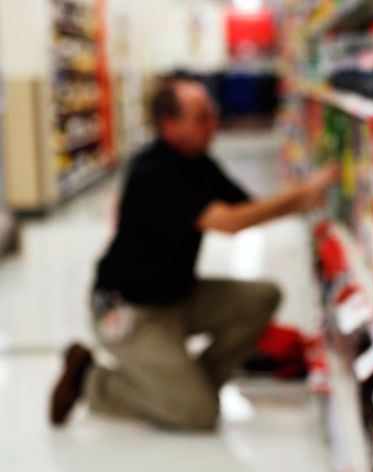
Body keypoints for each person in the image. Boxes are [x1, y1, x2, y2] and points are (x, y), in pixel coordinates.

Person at [49, 77, 338, 430]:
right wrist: (302, 196)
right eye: (201, 117)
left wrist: (299, 201)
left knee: (262, 297)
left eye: (212, 114)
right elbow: (229, 223)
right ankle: (90, 380)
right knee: (198, 416)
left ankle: (187, 386)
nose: (213, 123)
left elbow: (247, 209)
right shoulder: (154, 172)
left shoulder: (199, 164)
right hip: (129, 311)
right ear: (170, 126)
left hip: (177, 298)